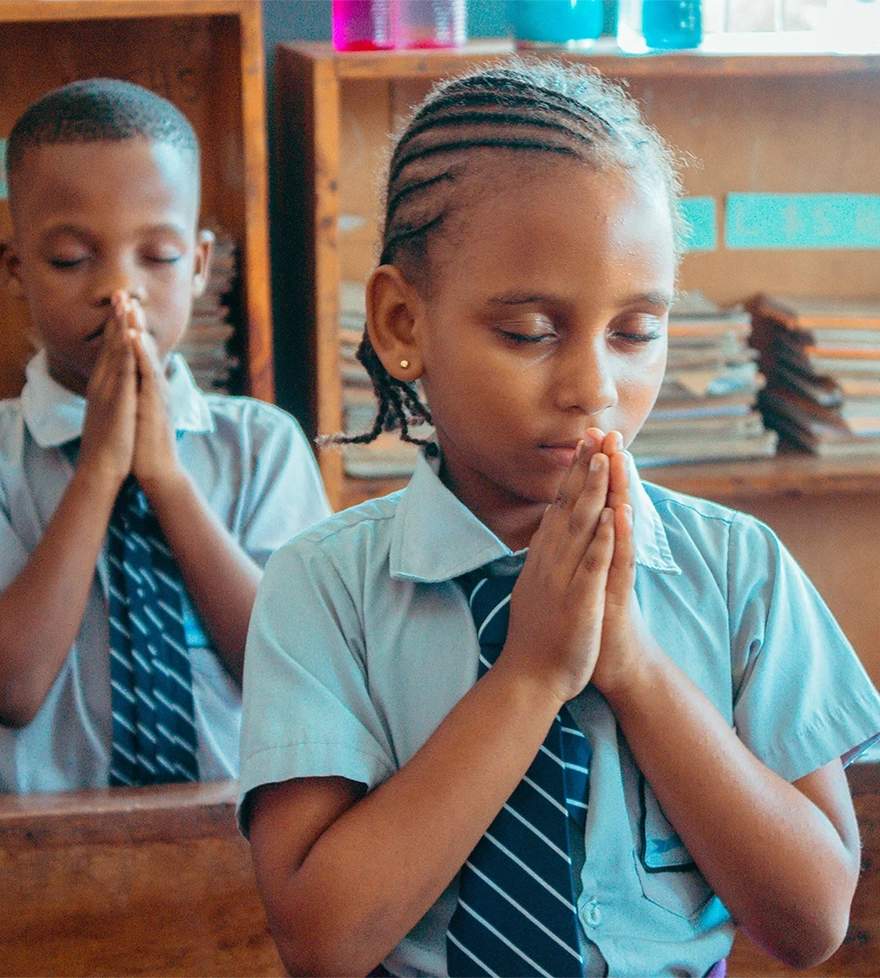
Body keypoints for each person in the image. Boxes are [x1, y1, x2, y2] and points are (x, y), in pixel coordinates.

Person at [237, 60, 880, 978]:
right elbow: (322, 941)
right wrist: (532, 673)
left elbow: (814, 921)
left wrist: (633, 665)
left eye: (635, 333)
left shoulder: (738, 571)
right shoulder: (326, 587)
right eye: (531, 333)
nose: (593, 389)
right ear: (402, 324)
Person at [0, 78, 331, 793]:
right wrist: (96, 474)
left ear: (203, 264)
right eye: (69, 259)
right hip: (41, 861)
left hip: (243, 847)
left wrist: (167, 481)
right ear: (16, 268)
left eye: (158, 256)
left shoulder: (261, 447)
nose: (121, 289)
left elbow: (302, 679)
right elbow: (13, 686)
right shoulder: (3, 461)